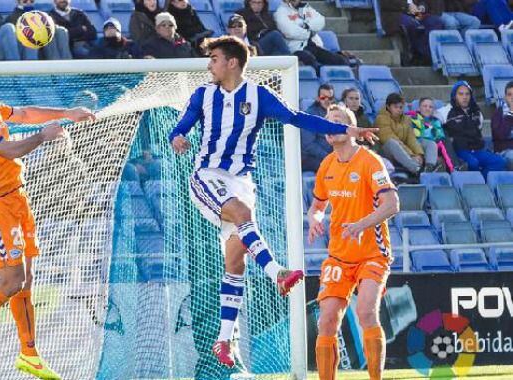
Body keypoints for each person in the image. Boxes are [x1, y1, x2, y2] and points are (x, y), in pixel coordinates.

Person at [167, 36, 376, 368]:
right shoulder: (203, 95)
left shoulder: (258, 96)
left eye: (215, 58)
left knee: (235, 262)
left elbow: (296, 118)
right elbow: (180, 128)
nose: (210, 64)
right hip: (207, 176)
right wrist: (177, 137)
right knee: (242, 214)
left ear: (232, 62)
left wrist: (346, 130)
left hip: (241, 182)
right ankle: (278, 272)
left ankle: (223, 341)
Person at [0, 63, 95, 378]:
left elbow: (24, 113)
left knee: (25, 280)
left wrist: (66, 112)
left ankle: (29, 353)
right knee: (11, 281)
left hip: (18, 198)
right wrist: (44, 136)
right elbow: (11, 150)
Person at [307, 104, 399, 380]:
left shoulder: (371, 162)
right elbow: (317, 206)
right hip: (338, 254)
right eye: (327, 122)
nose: (330, 126)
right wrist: (314, 218)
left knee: (366, 311)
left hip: (372, 252)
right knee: (326, 321)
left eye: (337, 120)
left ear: (351, 129)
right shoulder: (326, 165)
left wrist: (361, 224)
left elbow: (393, 204)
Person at [438, 80, 507, 175]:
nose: (464, 97)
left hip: (477, 150)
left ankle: (483, 182)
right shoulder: (445, 111)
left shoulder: (477, 112)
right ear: (455, 95)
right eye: (461, 94)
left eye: (467, 94)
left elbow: (480, 128)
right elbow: (433, 124)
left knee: (499, 161)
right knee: (473, 163)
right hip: (459, 150)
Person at [275, 0, 348, 73]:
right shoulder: (280, 12)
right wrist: (309, 33)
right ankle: (322, 78)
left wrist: (306, 25)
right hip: (295, 49)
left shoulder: (306, 8)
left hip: (310, 45)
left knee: (339, 60)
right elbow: (290, 32)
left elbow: (321, 21)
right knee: (312, 61)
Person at [3, 0, 73, 60]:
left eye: (31, 0)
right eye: (25, 0)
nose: (28, 2)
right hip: (26, 47)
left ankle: (67, 63)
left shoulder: (39, 13)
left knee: (60, 31)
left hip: (42, 44)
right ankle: (55, 62)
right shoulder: (12, 17)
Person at [375, 93, 424, 175]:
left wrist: (419, 154)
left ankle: (429, 168)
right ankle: (416, 169)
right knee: (392, 142)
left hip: (404, 153)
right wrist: (411, 154)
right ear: (388, 107)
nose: (399, 110)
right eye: (395, 107)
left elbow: (411, 139)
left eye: (401, 107)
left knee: (429, 143)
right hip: (385, 152)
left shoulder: (406, 119)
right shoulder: (381, 119)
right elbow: (390, 139)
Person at [406, 97, 456, 171]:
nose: (427, 109)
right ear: (419, 108)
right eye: (425, 106)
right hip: (418, 144)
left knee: (443, 141)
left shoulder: (436, 121)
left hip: (434, 147)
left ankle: (449, 167)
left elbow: (439, 136)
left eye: (430, 107)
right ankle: (452, 167)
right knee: (432, 144)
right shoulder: (412, 118)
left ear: (433, 110)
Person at [301, 84, 335, 172]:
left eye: (330, 98)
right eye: (323, 98)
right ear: (318, 98)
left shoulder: (335, 113)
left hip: (329, 155)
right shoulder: (310, 115)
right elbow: (308, 145)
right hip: (310, 158)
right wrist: (328, 156)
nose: (327, 101)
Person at [492, 81, 513, 169]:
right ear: (505, 97)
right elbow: (500, 135)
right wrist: (510, 113)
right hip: (504, 151)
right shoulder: (498, 113)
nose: (512, 98)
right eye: (509, 94)